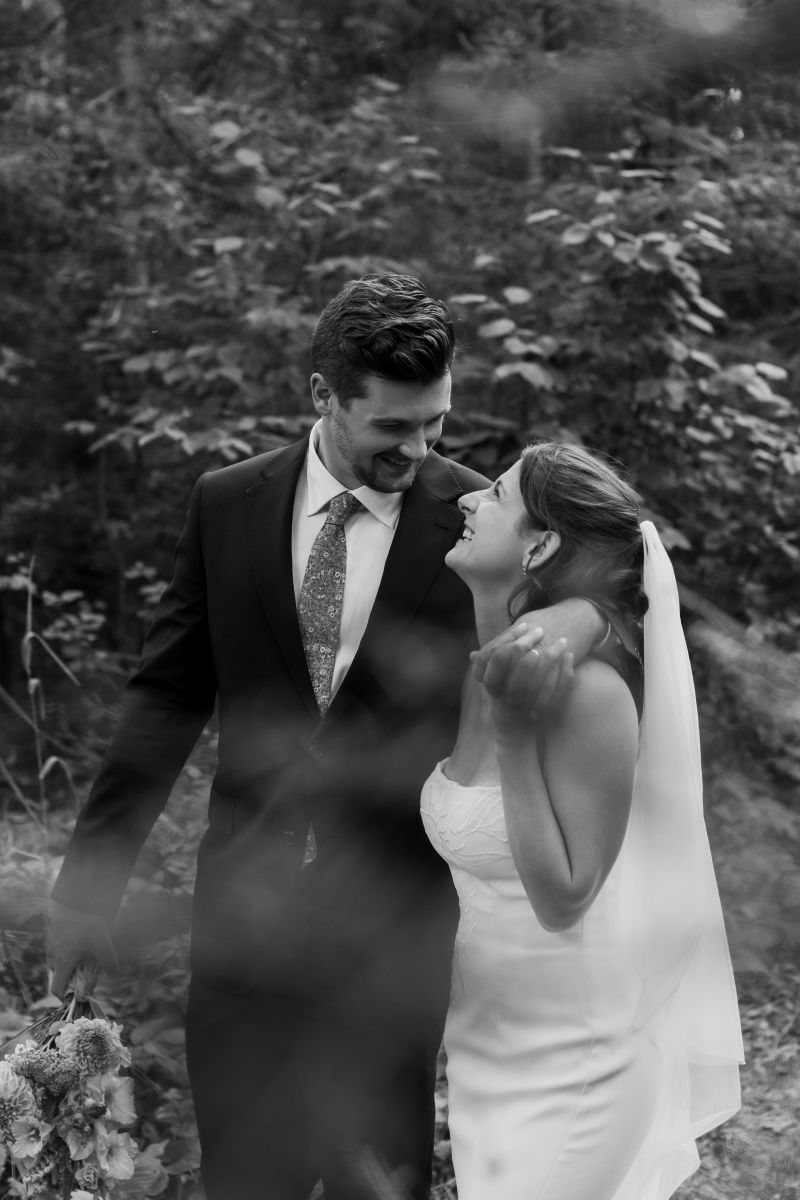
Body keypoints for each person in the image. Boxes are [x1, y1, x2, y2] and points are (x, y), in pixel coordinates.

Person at [47, 276, 616, 1200]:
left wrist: (581, 623)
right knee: (242, 1177)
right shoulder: (227, 502)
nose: (419, 449)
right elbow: (163, 701)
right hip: (241, 924)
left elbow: (619, 578)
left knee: (379, 1184)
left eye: (434, 422)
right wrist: (90, 882)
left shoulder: (481, 519)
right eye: (392, 427)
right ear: (323, 396)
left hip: (395, 937)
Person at [421, 442, 744, 1200]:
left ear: (540, 544)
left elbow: (566, 897)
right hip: (484, 1048)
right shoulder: (488, 667)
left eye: (494, 495)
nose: (466, 499)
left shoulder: (589, 694)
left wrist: (516, 734)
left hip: (578, 1058)